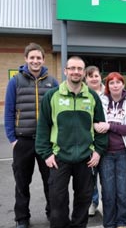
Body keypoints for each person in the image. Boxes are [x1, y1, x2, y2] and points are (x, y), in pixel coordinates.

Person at [35, 56, 108, 228]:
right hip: (59, 158)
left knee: (83, 199)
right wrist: (46, 154)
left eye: (79, 69)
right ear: (66, 71)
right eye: (72, 68)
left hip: (86, 158)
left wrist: (98, 151)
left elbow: (101, 126)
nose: (76, 72)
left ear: (83, 73)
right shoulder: (52, 96)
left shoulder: (92, 97)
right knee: (58, 200)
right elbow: (43, 127)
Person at [4, 42, 59, 228]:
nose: (35, 61)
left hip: (46, 142)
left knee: (50, 181)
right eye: (32, 57)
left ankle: (53, 213)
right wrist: (12, 139)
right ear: (26, 59)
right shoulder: (15, 81)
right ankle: (22, 218)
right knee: (22, 183)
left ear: (43, 60)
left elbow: (57, 112)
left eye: (38, 57)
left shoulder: (52, 82)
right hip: (23, 140)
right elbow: (9, 110)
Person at [94, 72, 126, 228]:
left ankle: (121, 222)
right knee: (108, 192)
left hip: (124, 153)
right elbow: (95, 123)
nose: (115, 85)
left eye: (118, 82)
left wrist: (110, 126)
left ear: (123, 84)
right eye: (111, 83)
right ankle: (109, 223)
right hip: (105, 153)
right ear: (107, 86)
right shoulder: (100, 101)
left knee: (122, 191)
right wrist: (97, 126)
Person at [85, 65, 105, 217]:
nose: (93, 78)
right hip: (89, 142)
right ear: (86, 79)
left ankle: (107, 202)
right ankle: (93, 202)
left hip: (107, 142)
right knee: (91, 177)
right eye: (90, 76)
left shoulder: (109, 93)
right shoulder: (83, 94)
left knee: (107, 176)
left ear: (100, 77)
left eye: (96, 75)